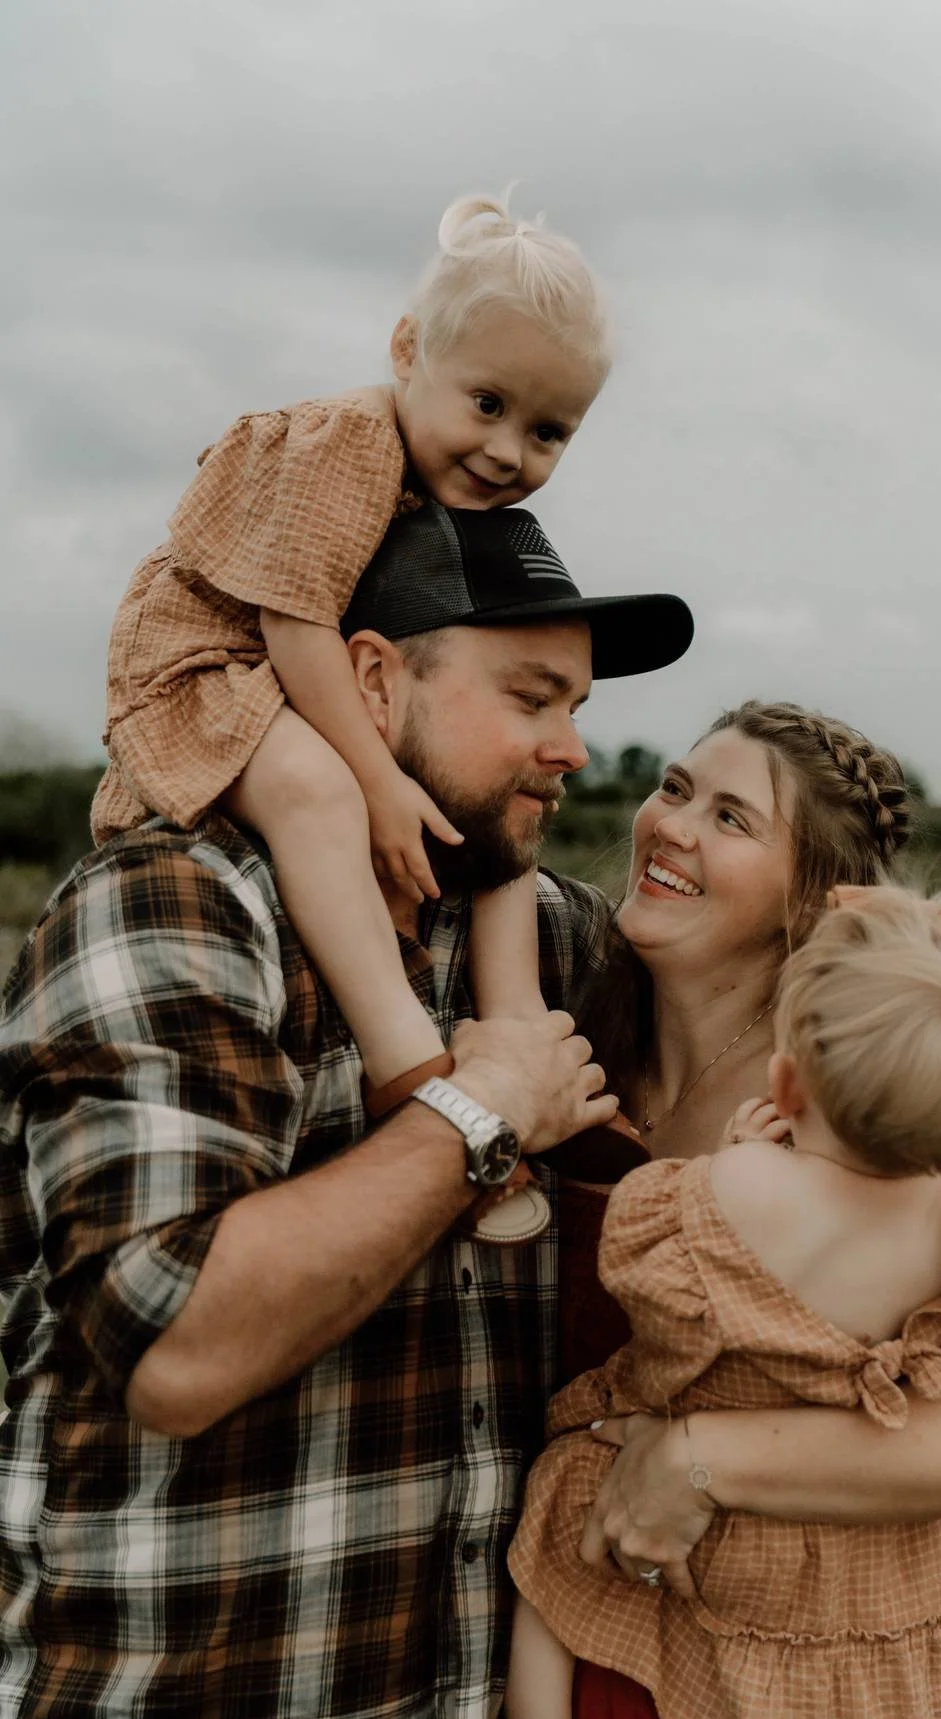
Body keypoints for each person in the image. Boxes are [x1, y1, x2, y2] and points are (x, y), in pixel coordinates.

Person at [0, 507, 693, 1719]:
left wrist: (885, 935)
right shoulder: (172, 907)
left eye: (577, 704)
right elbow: (174, 1348)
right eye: (531, 697)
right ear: (372, 682)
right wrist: (476, 1120)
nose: (573, 748)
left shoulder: (552, 943)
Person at [458, 700, 941, 1719]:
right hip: (587, 1638)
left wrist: (699, 1459)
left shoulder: (864, 1119)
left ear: (807, 897)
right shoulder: (580, 1046)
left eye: (732, 817)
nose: (671, 824)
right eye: (676, 786)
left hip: (774, 1695)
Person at [90, 193, 612, 1230]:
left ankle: (514, 1032)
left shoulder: (442, 495)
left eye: (548, 429)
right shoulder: (351, 449)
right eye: (487, 404)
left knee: (494, 821)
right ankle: (408, 1065)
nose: (510, 453)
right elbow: (292, 629)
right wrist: (378, 781)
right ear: (407, 350)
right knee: (320, 793)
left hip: (293, 662)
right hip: (208, 657)